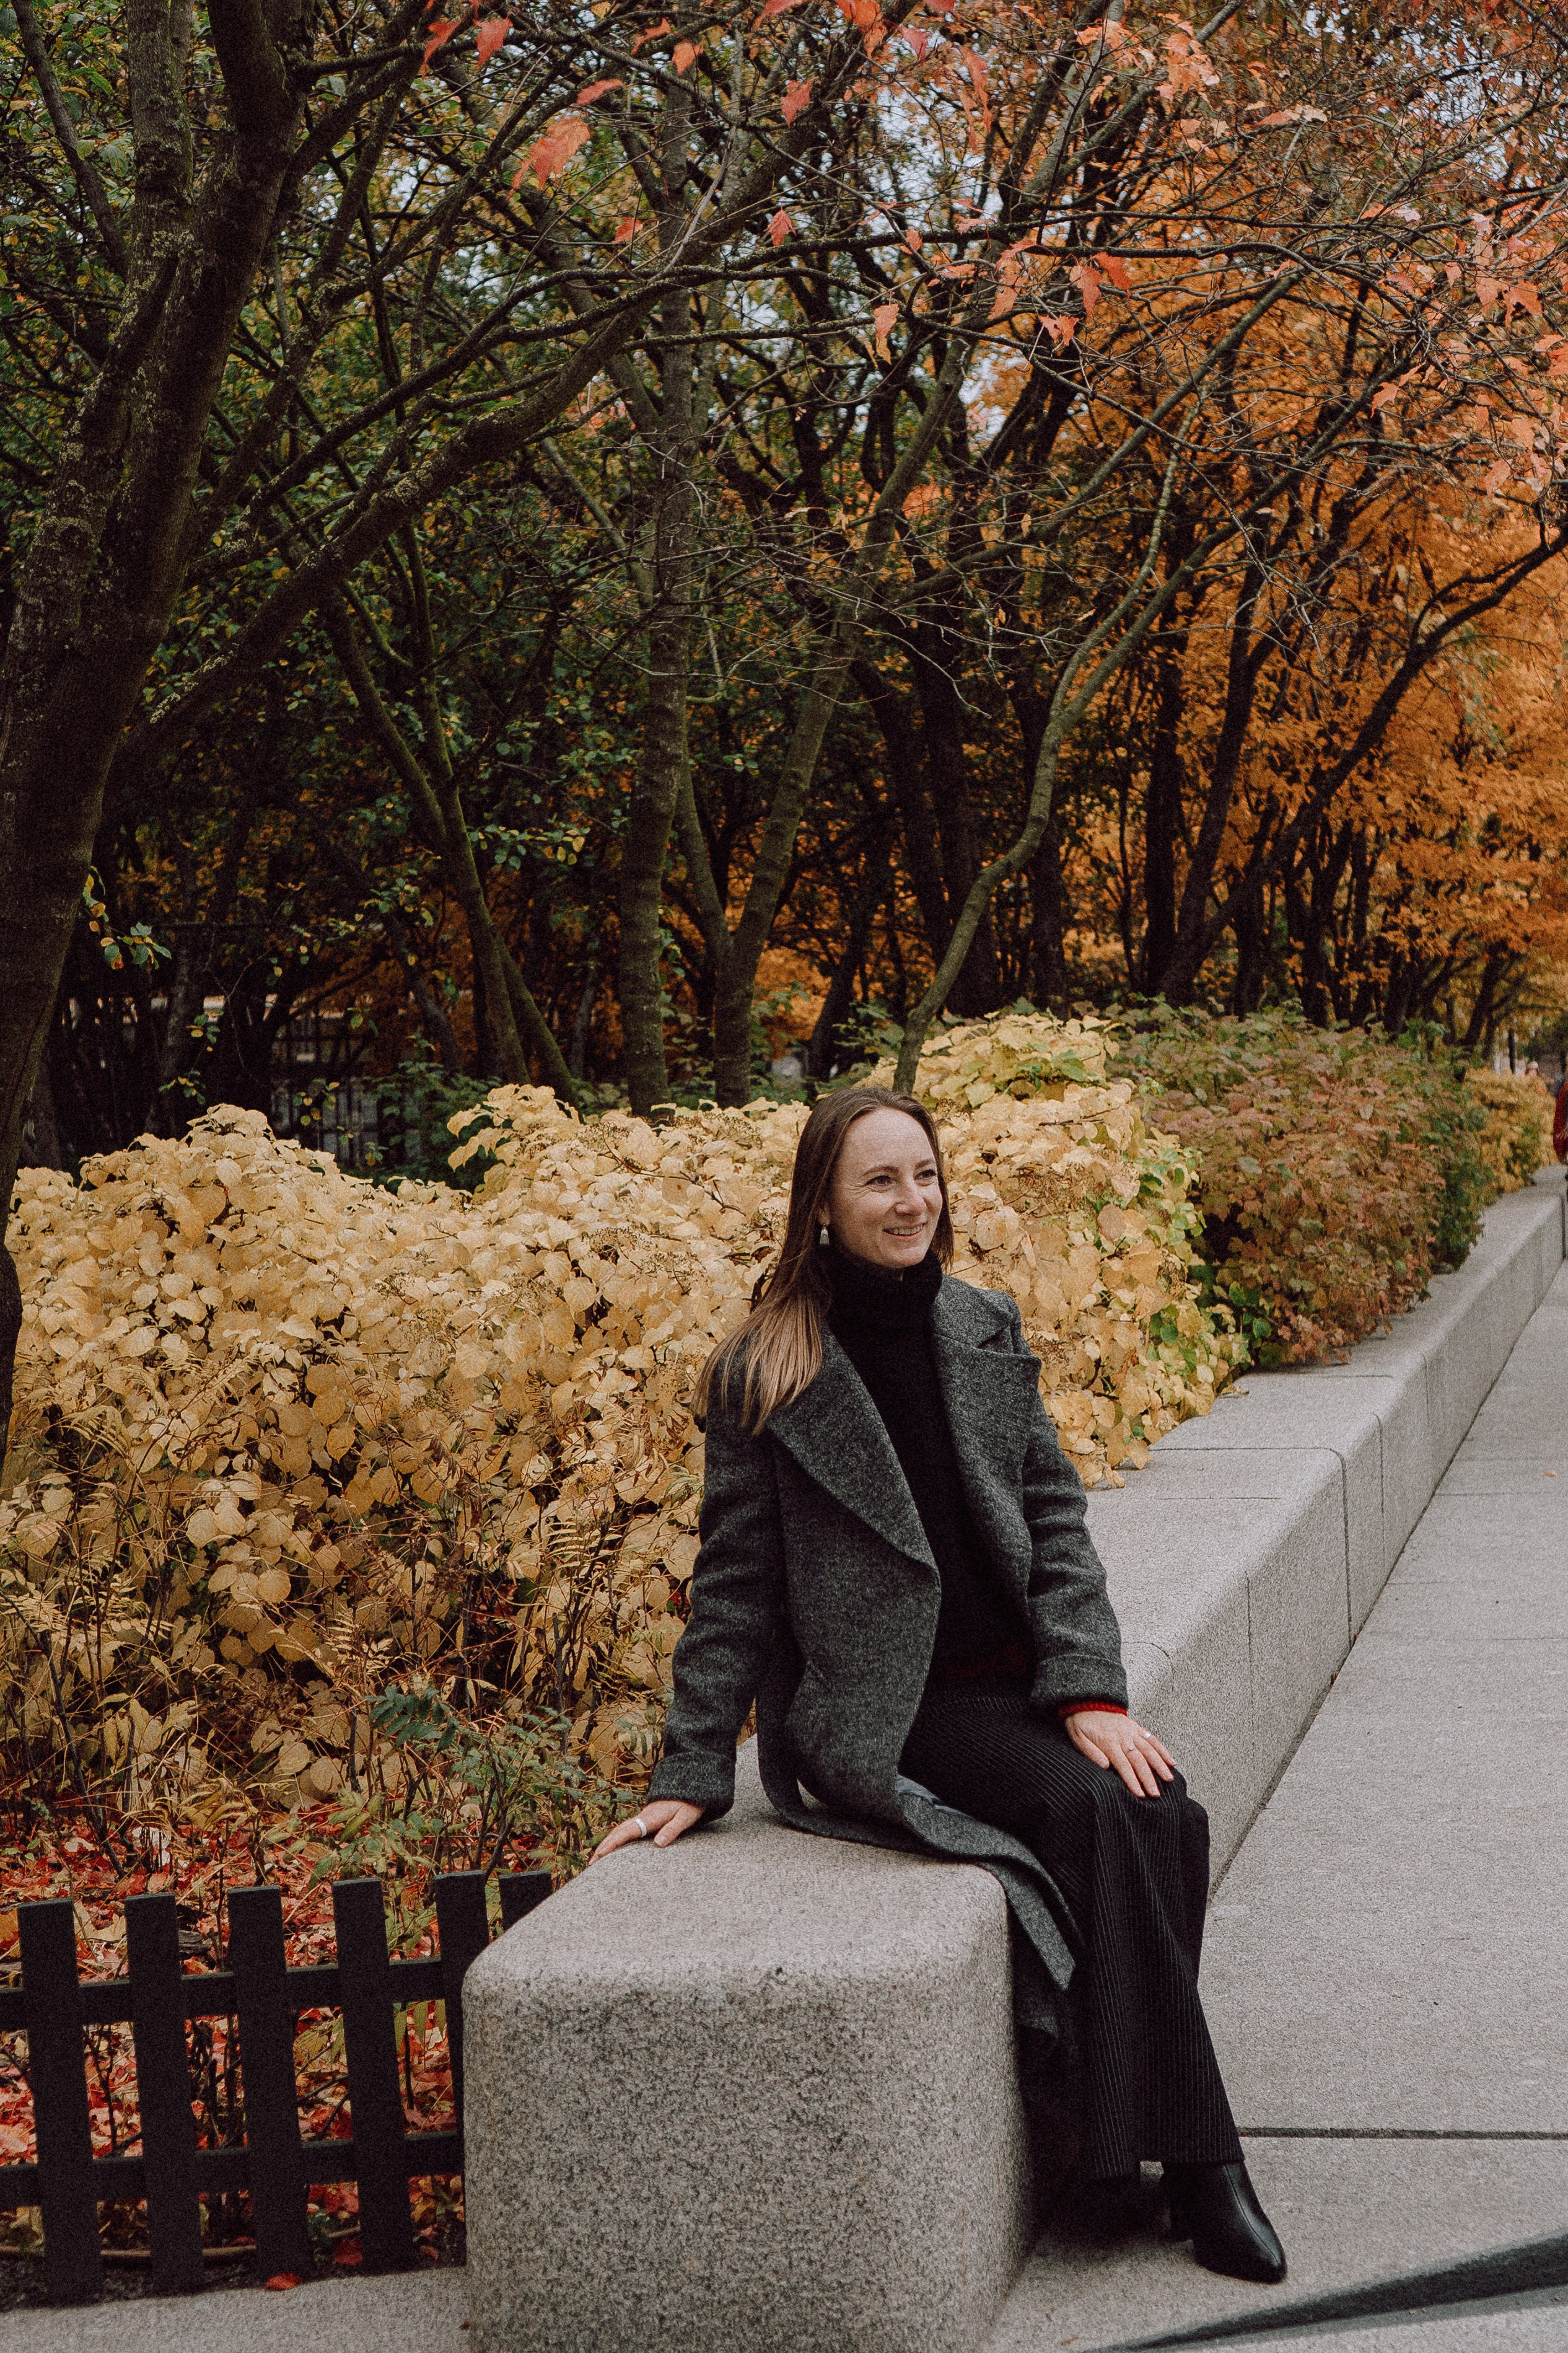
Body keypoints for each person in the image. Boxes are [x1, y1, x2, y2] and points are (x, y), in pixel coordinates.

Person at [590, 1084, 1285, 2285]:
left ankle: (1119, 2150)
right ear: (823, 1206)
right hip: (890, 1710)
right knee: (1087, 1812)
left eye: (925, 1175)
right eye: (880, 1182)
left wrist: (1087, 1688)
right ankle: (1207, 2170)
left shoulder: (981, 1324)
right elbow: (736, 1587)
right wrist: (692, 1768)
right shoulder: (768, 1369)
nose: (912, 1202)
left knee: (1164, 1809)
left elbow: (1057, 1521)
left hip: (1017, 1683)